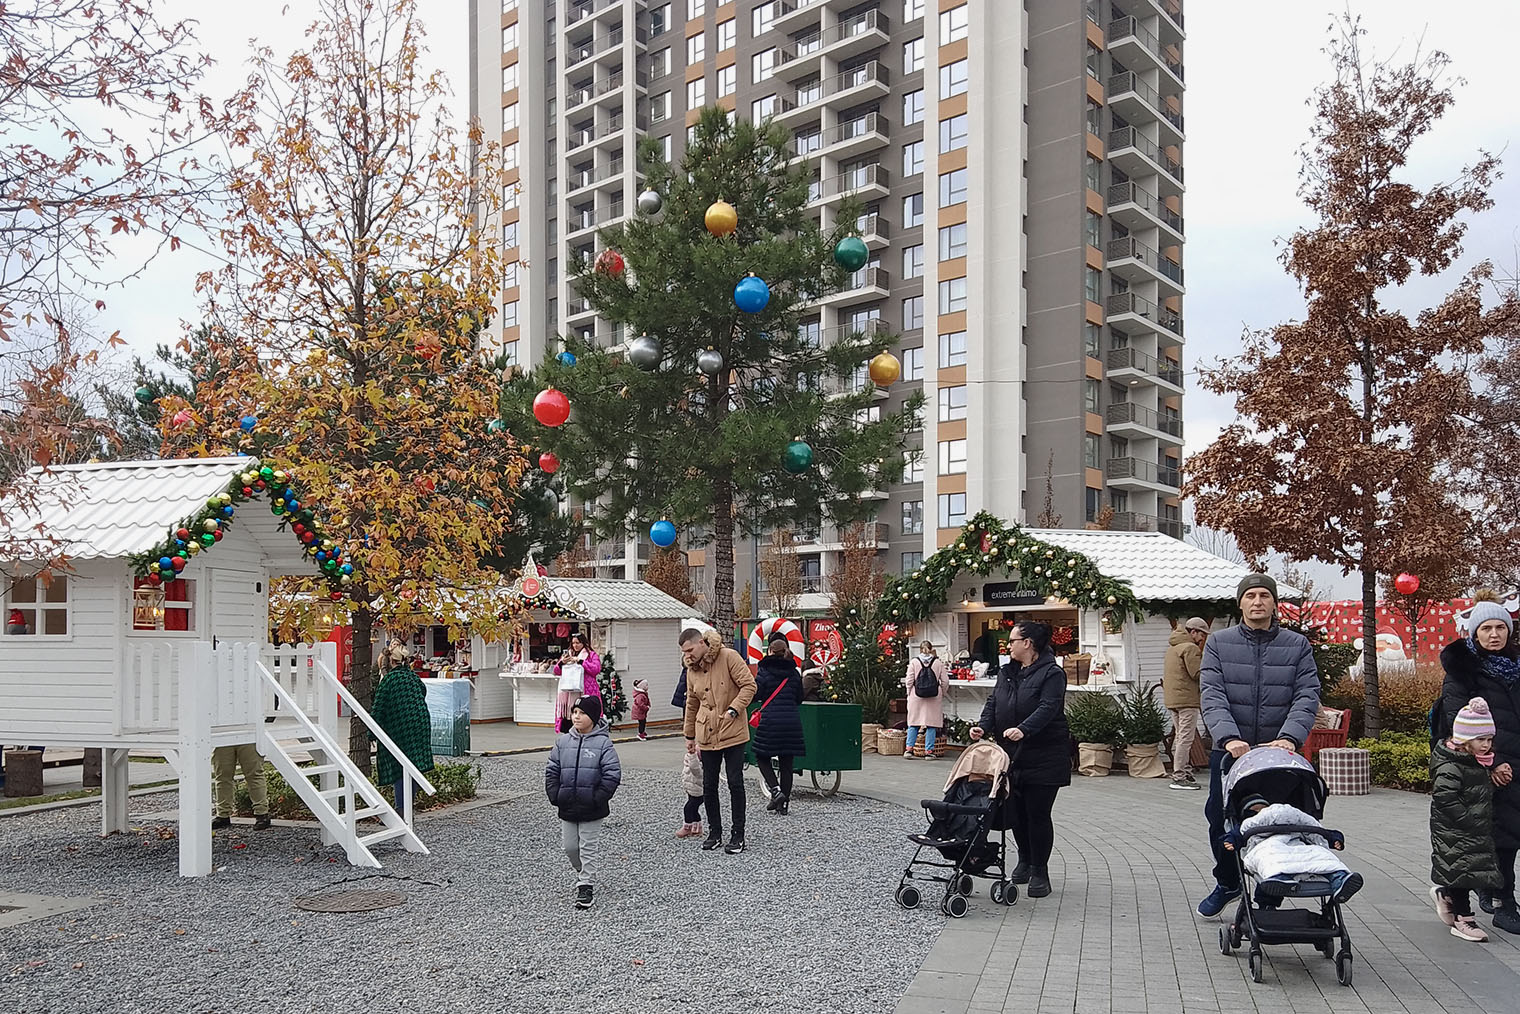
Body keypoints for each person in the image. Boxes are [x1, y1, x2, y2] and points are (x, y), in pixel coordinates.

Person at [1196, 574, 1320, 918]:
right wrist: (1229, 737)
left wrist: (1289, 737)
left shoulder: (1297, 645)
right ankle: (1228, 881)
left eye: (1265, 595)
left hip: (1279, 755)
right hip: (1231, 754)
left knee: (1278, 821)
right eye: (1250, 595)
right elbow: (1212, 693)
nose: (1257, 602)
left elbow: (1307, 695)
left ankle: (1269, 891)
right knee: (1220, 820)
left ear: (1274, 603)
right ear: (1240, 603)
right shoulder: (1219, 643)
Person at [969, 620, 1070, 898]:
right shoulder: (1007, 671)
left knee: (1037, 814)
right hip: (1010, 755)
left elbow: (1049, 707)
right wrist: (983, 726)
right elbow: (994, 702)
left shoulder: (1052, 673)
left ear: (1028, 643)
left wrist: (1024, 729)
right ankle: (1024, 859)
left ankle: (1040, 870)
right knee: (1016, 813)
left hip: (1044, 754)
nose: (1008, 645)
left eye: (1013, 641)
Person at [1437, 597, 1520, 933]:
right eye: (1486, 628)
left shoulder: (1516, 667)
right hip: (1481, 768)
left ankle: (1494, 894)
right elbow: (1460, 723)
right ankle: (1498, 901)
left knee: (1509, 834)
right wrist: (1493, 762)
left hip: (1515, 765)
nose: (1494, 634)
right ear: (1474, 633)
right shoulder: (1463, 671)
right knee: (1485, 835)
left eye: (1501, 627)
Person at [1430, 697, 1503, 942]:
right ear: (1464, 740)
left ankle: (1446, 895)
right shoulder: (1452, 765)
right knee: (1462, 871)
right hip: (1456, 829)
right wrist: (1468, 819)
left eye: (1489, 739)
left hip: (1471, 827)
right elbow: (1445, 796)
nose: (1486, 745)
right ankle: (1464, 918)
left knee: (1466, 870)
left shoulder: (1475, 762)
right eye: (1480, 740)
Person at [679, 626, 756, 854]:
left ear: (702, 643)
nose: (687, 655)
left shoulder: (729, 656)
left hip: (732, 729)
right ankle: (715, 832)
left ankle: (738, 834)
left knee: (735, 782)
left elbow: (749, 686)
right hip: (707, 732)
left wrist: (734, 709)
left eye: (690, 649)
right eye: (684, 651)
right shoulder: (691, 669)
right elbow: (692, 703)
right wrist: (689, 735)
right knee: (709, 785)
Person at [545, 695, 622, 909]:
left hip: (592, 807)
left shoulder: (603, 744)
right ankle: (582, 872)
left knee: (588, 846)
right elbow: (552, 769)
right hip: (567, 804)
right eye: (575, 712)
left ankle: (585, 885)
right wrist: (555, 794)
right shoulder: (563, 742)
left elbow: (612, 774)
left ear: (594, 717)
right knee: (570, 847)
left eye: (582, 713)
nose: (577, 717)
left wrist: (598, 798)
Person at [1236, 793, 1363, 904]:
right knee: (1269, 857)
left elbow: (1322, 832)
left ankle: (1340, 879)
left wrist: (1335, 839)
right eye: (1255, 811)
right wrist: (1229, 842)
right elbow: (1235, 835)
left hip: (1297, 845)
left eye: (1263, 809)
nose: (1260, 813)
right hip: (1267, 847)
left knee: (1320, 854)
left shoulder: (1291, 822)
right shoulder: (1248, 826)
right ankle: (1279, 880)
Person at [371, 639, 435, 816]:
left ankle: (401, 808)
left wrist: (370, 734)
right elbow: (423, 692)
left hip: (399, 727)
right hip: (421, 724)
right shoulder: (413, 677)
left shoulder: (389, 680)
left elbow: (378, 708)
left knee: (399, 765)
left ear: (390, 662)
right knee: (414, 764)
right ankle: (408, 804)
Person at [753, 633, 805, 815]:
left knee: (761, 757)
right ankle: (783, 804)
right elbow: (799, 698)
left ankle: (775, 791)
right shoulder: (794, 672)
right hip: (791, 721)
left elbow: (756, 694)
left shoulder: (764, 671)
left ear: (770, 651)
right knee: (787, 763)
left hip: (770, 721)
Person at [1164, 617, 1209, 790]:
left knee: (1180, 737)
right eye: (1201, 634)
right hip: (1187, 699)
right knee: (1185, 738)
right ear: (1193, 632)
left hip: (1172, 699)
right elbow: (1197, 673)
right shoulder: (1190, 648)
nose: (1202, 638)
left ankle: (1186, 771)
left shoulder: (1173, 647)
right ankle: (1179, 776)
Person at [903, 639, 948, 760]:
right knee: (931, 724)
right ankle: (929, 751)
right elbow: (945, 681)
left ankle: (909, 750)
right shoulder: (938, 663)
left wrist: (909, 693)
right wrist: (942, 692)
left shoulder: (914, 662)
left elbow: (909, 680)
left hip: (916, 696)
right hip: (933, 696)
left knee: (913, 723)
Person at [211, 742, 270, 831]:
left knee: (254, 775)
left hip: (249, 734)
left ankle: (262, 814)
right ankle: (223, 815)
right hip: (222, 735)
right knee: (222, 776)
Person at [553, 632, 603, 733]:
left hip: (585, 689)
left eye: (578, 643)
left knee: (585, 711)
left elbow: (596, 669)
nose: (575, 645)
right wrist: (562, 663)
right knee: (569, 713)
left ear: (583, 643)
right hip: (567, 692)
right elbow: (556, 671)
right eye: (573, 643)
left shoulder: (591, 655)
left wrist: (581, 662)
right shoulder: (567, 655)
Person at [676, 745, 705, 838]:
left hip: (699, 792)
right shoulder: (691, 761)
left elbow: (695, 769)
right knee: (694, 809)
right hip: (692, 789)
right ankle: (697, 827)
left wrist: (692, 756)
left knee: (688, 808)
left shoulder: (699, 765)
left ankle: (687, 827)